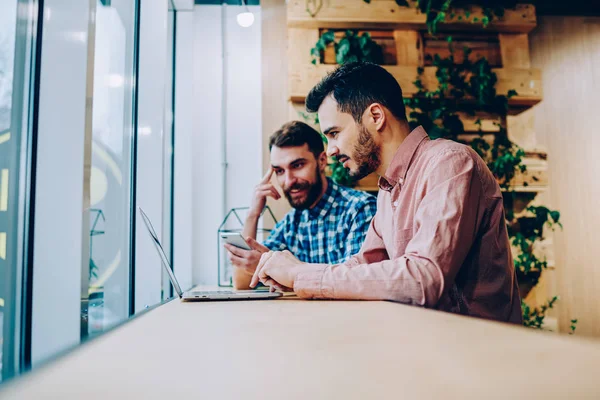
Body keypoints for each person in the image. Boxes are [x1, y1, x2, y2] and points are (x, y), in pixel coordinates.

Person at [249, 62, 522, 323]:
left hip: (478, 353)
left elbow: (423, 279)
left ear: (376, 117)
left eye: (334, 133)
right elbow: (361, 264)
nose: (330, 150)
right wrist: (292, 273)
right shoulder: (387, 190)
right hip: (429, 347)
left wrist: (300, 273)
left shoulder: (449, 162)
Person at [225, 120, 377, 290]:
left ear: (321, 161)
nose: (289, 181)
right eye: (279, 171)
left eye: (297, 165)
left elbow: (356, 285)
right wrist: (253, 214)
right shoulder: (291, 224)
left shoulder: (359, 210)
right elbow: (242, 282)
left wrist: (287, 274)